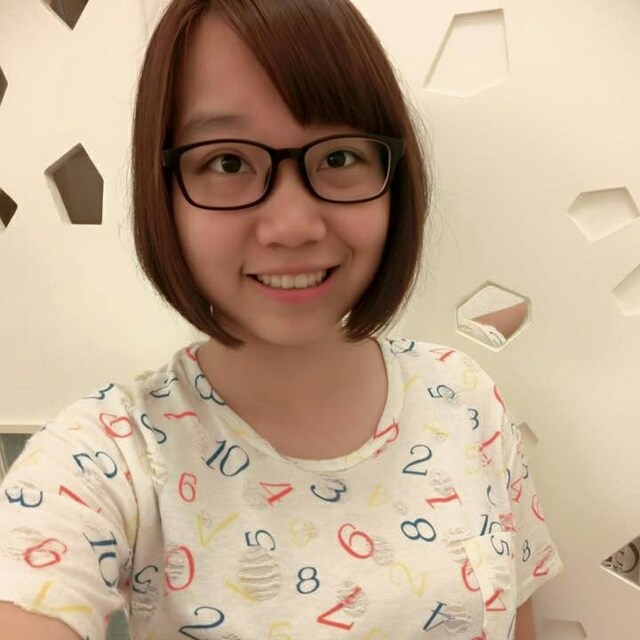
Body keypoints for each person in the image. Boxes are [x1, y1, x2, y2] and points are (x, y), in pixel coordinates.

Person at [0, 0, 563, 638]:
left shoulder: (466, 399)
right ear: (163, 192)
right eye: (228, 162)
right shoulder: (108, 456)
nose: (293, 226)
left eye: (339, 157)